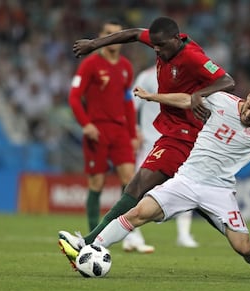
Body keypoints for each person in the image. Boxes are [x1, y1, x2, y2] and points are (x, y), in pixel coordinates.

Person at [61, 86, 250, 279]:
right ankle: (91, 249)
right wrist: (154, 97)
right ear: (245, 99)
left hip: (219, 191)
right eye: (247, 107)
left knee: (242, 248)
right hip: (186, 180)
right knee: (138, 212)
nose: (247, 114)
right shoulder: (223, 101)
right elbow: (188, 99)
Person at [59, 16, 235, 268]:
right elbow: (131, 33)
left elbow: (227, 81)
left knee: (138, 184)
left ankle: (87, 242)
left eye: (161, 46)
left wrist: (198, 95)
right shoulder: (160, 42)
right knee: (201, 205)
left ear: (176, 39)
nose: (157, 50)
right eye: (154, 45)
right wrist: (94, 44)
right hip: (173, 132)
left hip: (187, 135)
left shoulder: (193, 57)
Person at [66, 19, 154, 254]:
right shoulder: (90, 64)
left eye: (117, 34)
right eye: (108, 33)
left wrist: (133, 129)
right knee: (97, 183)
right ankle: (93, 237)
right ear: (101, 35)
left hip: (120, 132)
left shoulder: (125, 67)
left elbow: (127, 100)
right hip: (97, 131)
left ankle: (129, 235)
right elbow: (74, 97)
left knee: (130, 181)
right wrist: (85, 125)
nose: (113, 37)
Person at [131, 65, 198, 248]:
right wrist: (134, 130)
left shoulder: (186, 76)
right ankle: (132, 234)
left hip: (177, 141)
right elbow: (131, 106)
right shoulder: (145, 76)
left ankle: (184, 234)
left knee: (185, 185)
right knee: (138, 187)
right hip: (150, 142)